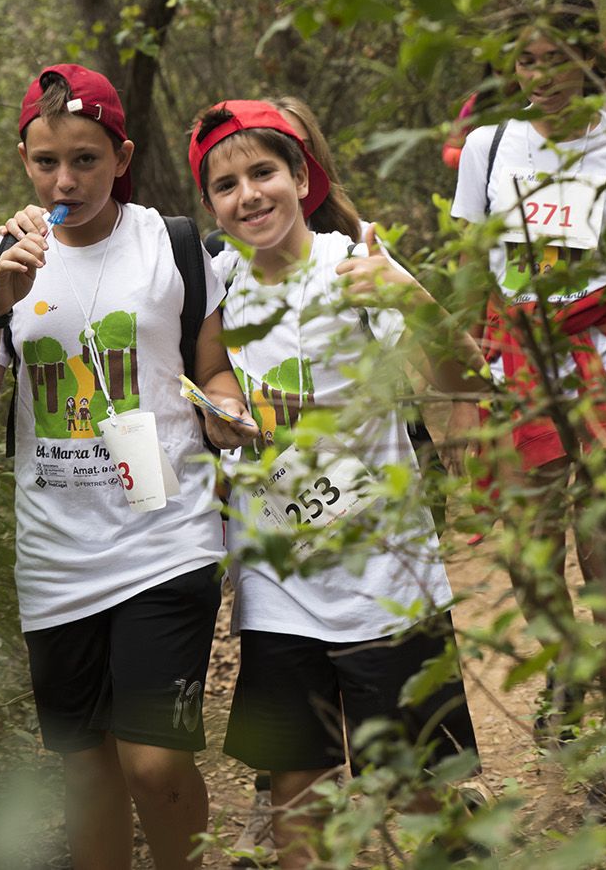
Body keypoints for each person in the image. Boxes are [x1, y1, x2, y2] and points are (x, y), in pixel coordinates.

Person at [0, 63, 258, 870]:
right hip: (56, 556)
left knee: (152, 765)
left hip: (166, 537)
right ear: (23, 160)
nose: (65, 181)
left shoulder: (171, 246)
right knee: (88, 775)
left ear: (121, 157)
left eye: (85, 160)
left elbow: (212, 367)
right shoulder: (2, 261)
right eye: (47, 161)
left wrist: (226, 411)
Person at [187, 98, 487, 869]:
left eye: (263, 173)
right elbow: (213, 368)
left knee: (416, 794)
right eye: (226, 185)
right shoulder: (218, 279)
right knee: (299, 801)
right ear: (211, 203)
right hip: (278, 587)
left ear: (302, 177)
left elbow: (463, 377)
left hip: (387, 583)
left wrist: (405, 294)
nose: (248, 195)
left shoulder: (352, 266)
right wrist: (222, 409)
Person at [449, 0, 606, 752]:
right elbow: (471, 272)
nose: (542, 74)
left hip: (605, 363)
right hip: (519, 365)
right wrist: (462, 386)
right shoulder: (490, 146)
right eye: (527, 60)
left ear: (589, 58)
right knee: (530, 548)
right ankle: (568, 666)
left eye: (557, 58)